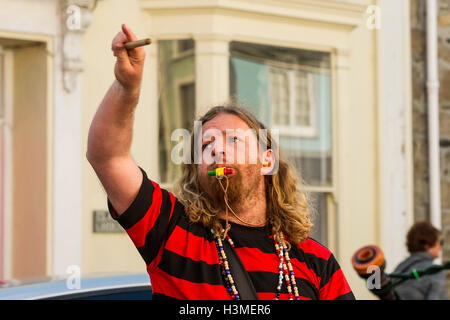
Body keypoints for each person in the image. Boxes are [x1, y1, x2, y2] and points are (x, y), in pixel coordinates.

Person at [86, 24, 355, 300]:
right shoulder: (171, 231)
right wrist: (126, 86)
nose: (217, 151)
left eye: (233, 140)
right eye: (205, 145)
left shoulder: (316, 262)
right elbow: (108, 156)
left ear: (267, 160)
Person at [392, 221, 447, 300]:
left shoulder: (399, 268)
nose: (440, 247)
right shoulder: (434, 271)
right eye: (440, 242)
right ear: (427, 245)